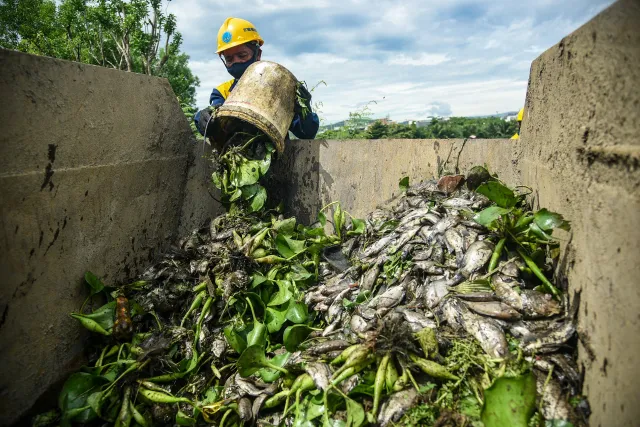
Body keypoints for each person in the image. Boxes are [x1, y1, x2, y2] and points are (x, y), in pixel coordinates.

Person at [194, 17, 319, 140]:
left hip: (277, 158)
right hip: (235, 155)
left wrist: (305, 111)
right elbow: (215, 117)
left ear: (257, 54)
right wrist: (202, 117)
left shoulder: (277, 90)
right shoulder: (222, 92)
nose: (236, 62)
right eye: (229, 59)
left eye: (242, 55)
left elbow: (307, 134)